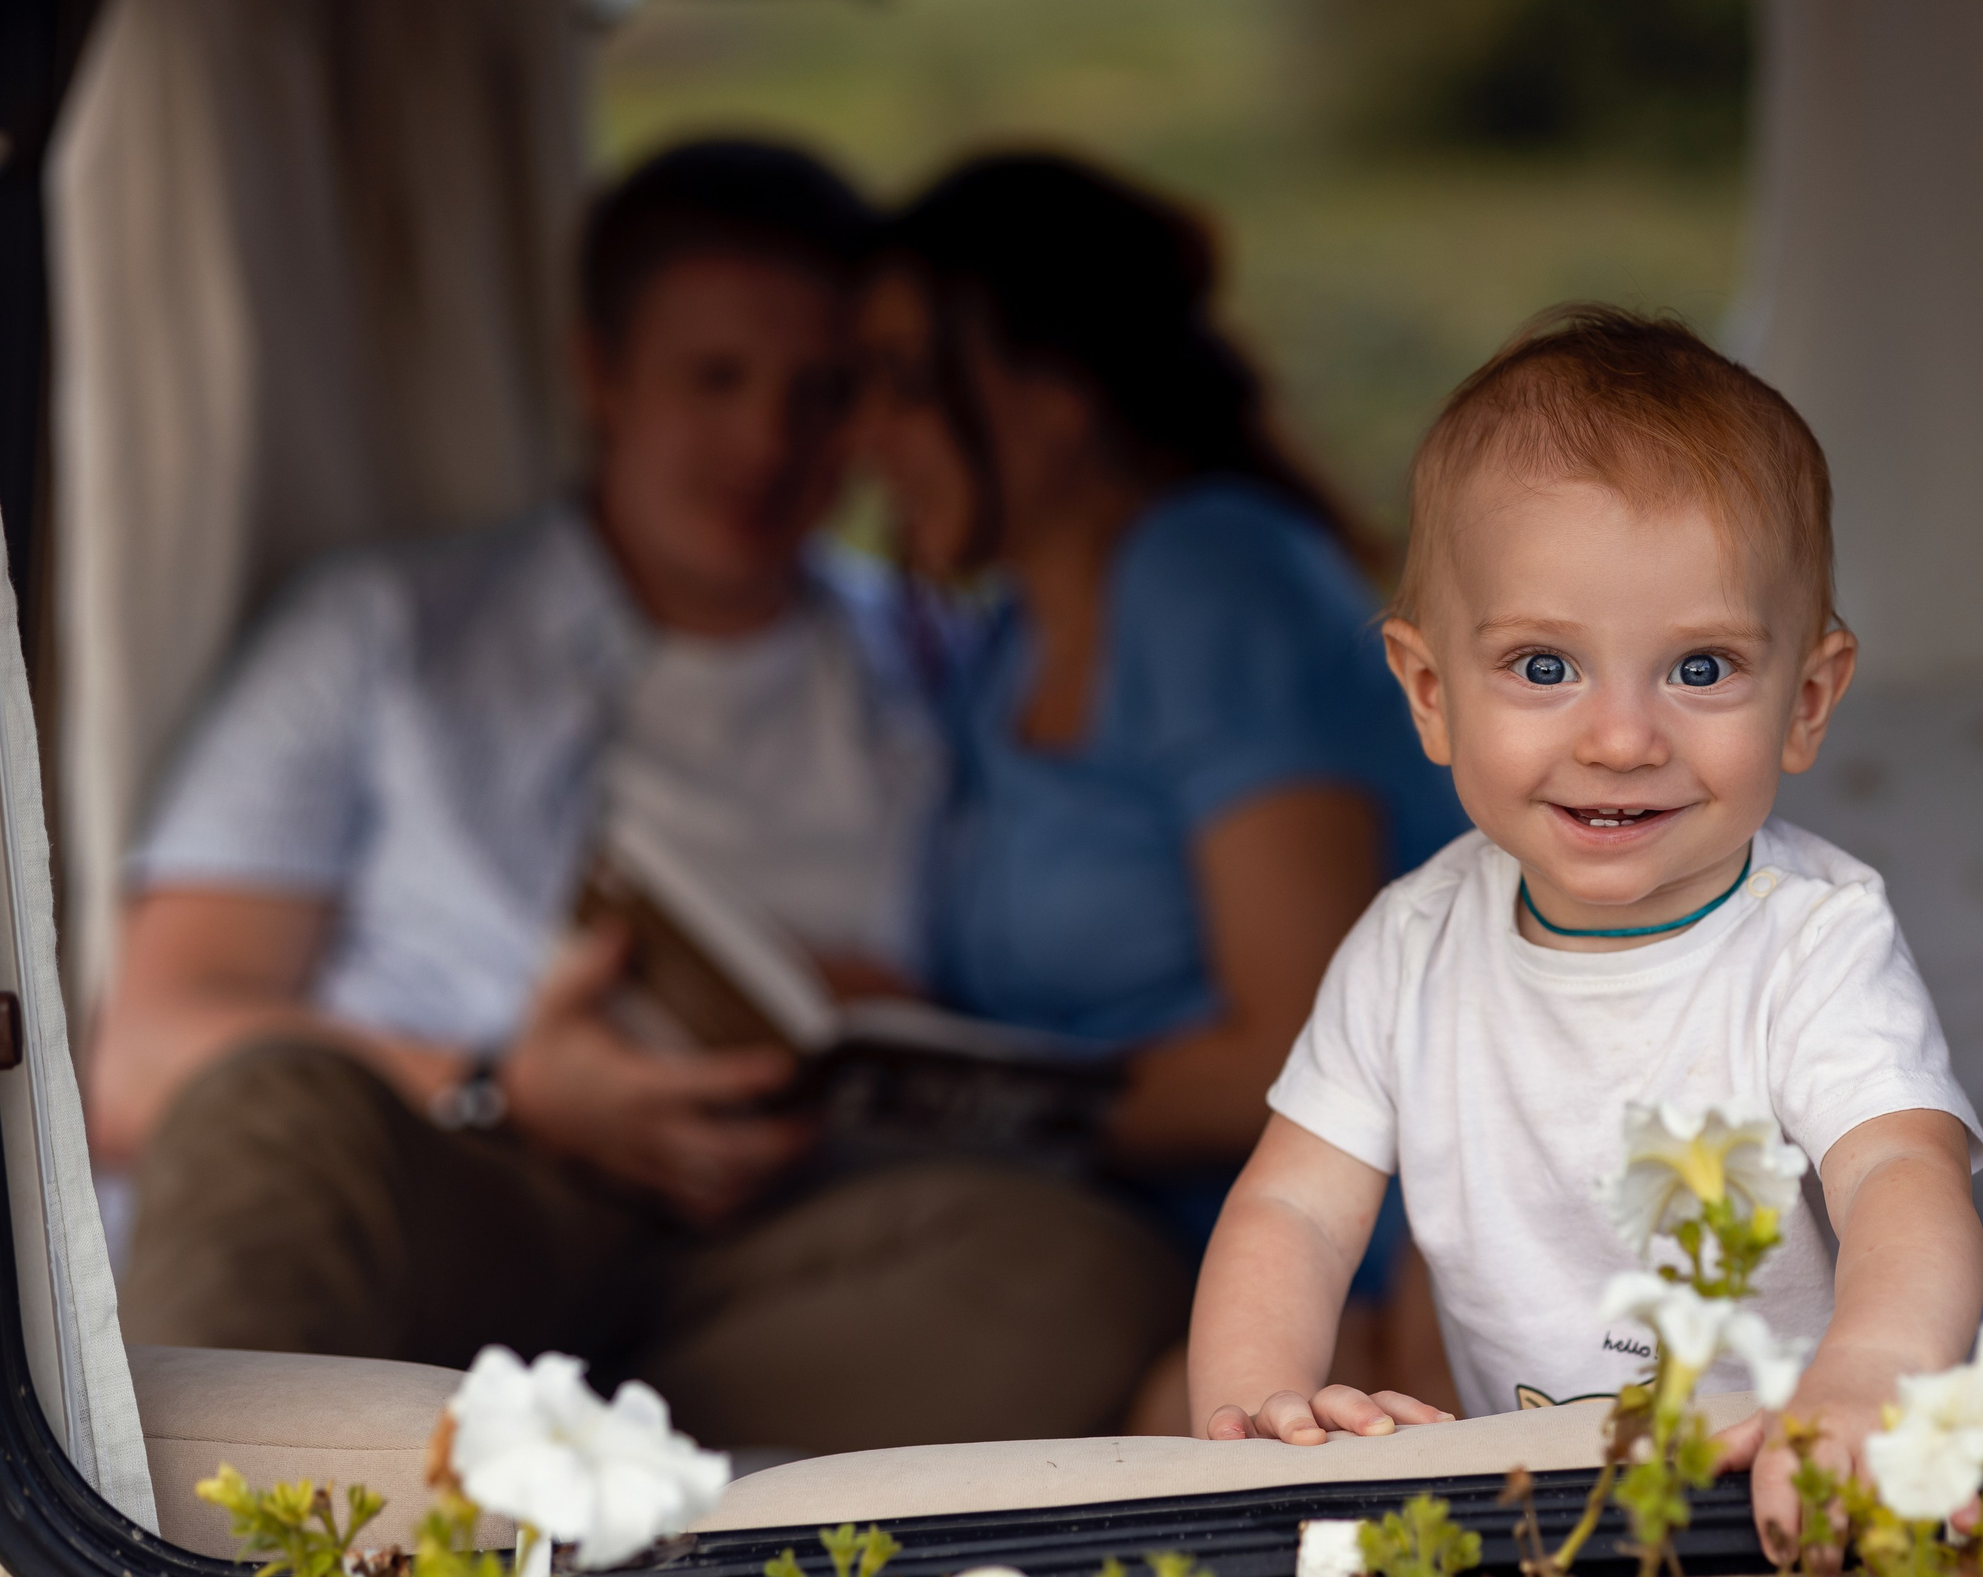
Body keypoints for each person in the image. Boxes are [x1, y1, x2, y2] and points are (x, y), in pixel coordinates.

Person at [93, 141, 1186, 1453]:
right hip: (462, 1193)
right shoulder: (387, 630)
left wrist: (877, 1030)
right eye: (714, 379)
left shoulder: (930, 658)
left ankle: (559, 1507)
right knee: (273, 1106)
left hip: (768, 1256)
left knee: (1085, 1266)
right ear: (600, 373)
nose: (766, 441)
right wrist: (504, 1085)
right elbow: (138, 1051)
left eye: (822, 391)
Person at [1184, 308, 1983, 1553]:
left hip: (1788, 1504)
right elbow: (1292, 1209)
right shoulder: (1411, 944)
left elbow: (1898, 1171)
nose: (1621, 738)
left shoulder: (1814, 939)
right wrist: (1252, 1416)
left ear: (1808, 699)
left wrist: (1870, 1376)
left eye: (1703, 668)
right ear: (1429, 693)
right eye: (1544, 668)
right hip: (1551, 1530)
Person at [854, 155, 1471, 1411]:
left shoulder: (1211, 580)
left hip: (1367, 1244)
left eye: (909, 386)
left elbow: (1294, 1046)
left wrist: (976, 1110)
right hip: (1146, 1238)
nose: (866, 437)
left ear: (1059, 393)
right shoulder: (1003, 646)